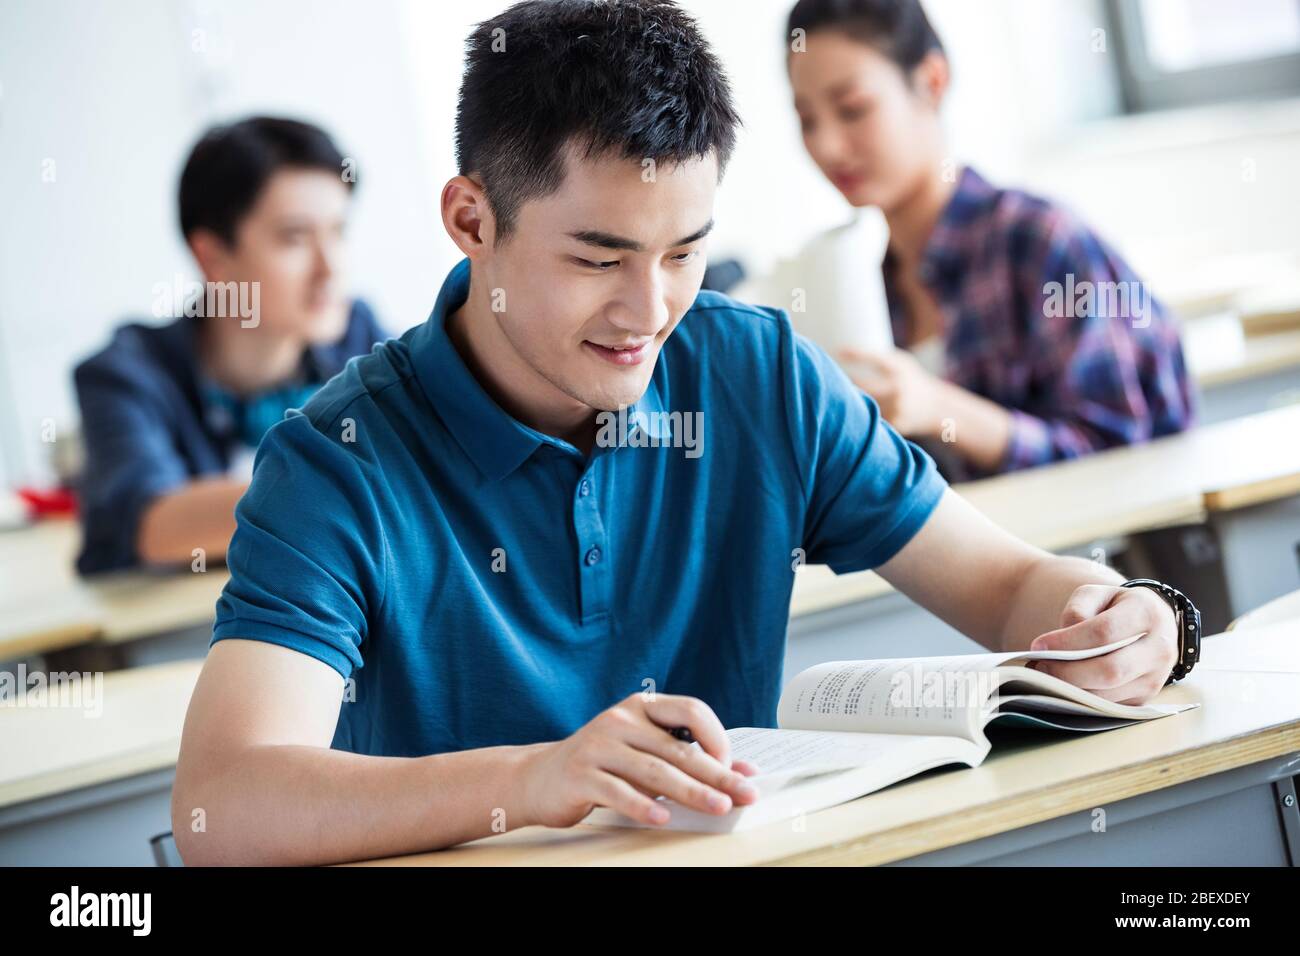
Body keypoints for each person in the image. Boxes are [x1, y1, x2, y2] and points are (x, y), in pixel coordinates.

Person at [174, 0, 1187, 866]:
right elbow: (225, 802)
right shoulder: (334, 459)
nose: (647, 310)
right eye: (597, 257)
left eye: (685, 251)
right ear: (472, 220)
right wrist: (539, 776)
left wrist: (1118, 612)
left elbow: (1008, 586)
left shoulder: (759, 373)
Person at [786, 0, 1196, 480]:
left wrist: (941, 408)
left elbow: (1121, 450)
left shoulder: (1040, 241)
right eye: (807, 120)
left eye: (852, 108)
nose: (828, 146)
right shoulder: (873, 286)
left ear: (932, 82)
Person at [73, 117, 387, 574]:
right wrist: (348, 483)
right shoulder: (126, 373)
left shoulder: (360, 336)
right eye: (295, 238)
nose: (331, 267)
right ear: (212, 256)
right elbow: (155, 524)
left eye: (338, 232)